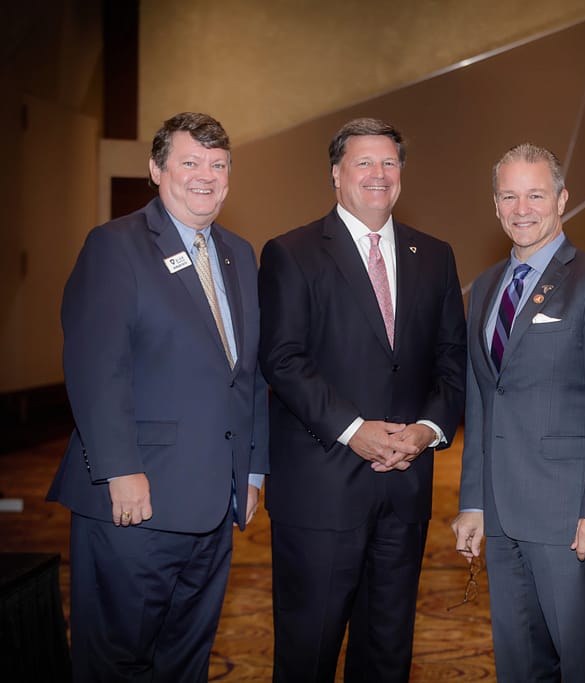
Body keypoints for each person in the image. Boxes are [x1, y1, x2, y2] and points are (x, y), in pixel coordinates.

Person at [48, 112, 269, 681]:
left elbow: (248, 376)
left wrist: (251, 472)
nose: (206, 176)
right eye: (190, 162)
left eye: (218, 165)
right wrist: (120, 469)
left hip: (215, 502)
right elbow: (96, 369)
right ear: (155, 169)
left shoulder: (239, 253)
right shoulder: (115, 246)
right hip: (134, 501)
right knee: (117, 663)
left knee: (185, 660)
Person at [258, 118, 466, 682]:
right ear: (336, 173)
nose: (379, 173)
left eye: (389, 162)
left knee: (387, 655)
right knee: (308, 655)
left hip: (405, 486)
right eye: (364, 162)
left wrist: (426, 430)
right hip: (321, 491)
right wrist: (355, 430)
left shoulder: (435, 255)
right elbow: (282, 358)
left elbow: (452, 359)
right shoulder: (292, 252)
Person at [451, 143, 585, 682]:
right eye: (509, 196)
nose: (522, 209)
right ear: (495, 204)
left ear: (561, 199)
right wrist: (473, 502)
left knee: (580, 664)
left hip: (568, 515)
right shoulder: (486, 287)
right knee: (518, 664)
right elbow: (482, 400)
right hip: (500, 511)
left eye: (535, 195)